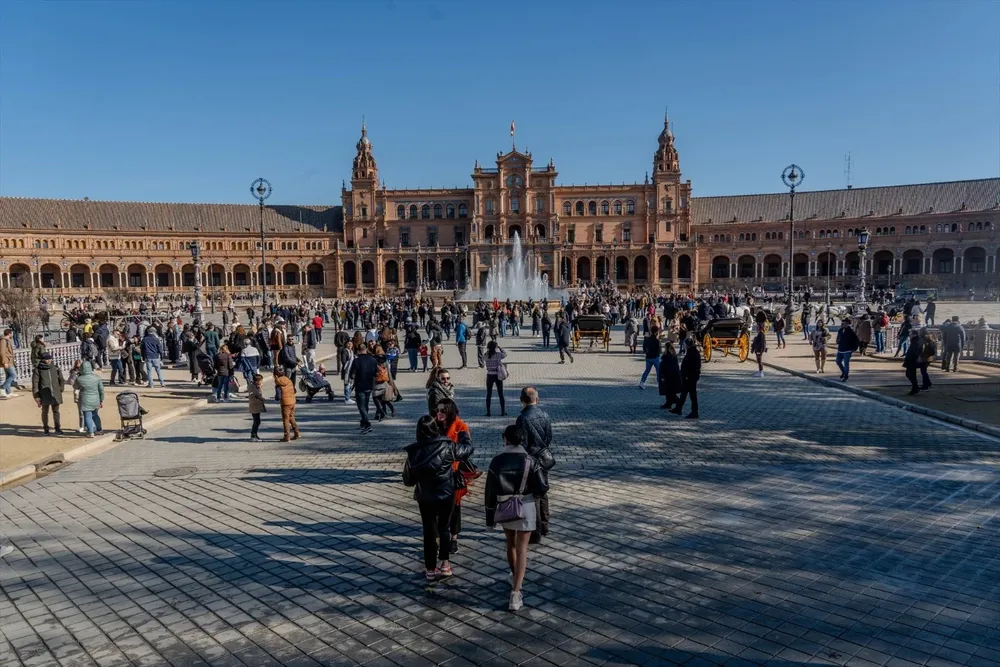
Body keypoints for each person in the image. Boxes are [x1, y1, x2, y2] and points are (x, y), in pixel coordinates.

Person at [485, 424, 549, 612]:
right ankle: (516, 592)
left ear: (505, 439)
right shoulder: (531, 460)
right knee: (522, 550)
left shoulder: (496, 461)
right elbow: (542, 487)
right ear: (523, 440)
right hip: (526, 506)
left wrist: (490, 519)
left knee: (510, 544)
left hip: (505, 507)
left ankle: (514, 576)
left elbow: (489, 492)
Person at [403, 416, 472, 581]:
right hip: (446, 493)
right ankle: (445, 564)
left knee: (428, 531)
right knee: (444, 528)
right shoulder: (447, 445)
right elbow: (467, 450)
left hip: (425, 496)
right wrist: (463, 436)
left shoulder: (414, 452)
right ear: (435, 428)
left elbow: (408, 480)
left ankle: (430, 568)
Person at [434, 398, 476, 554]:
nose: (439, 413)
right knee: (436, 510)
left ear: (450, 411)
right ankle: (437, 539)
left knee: (454, 508)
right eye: (437, 410)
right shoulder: (432, 425)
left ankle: (453, 538)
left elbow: (466, 448)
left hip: (453, 473)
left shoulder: (460, 426)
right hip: (436, 474)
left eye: (443, 411)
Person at [514, 387, 554, 545]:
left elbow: (522, 443)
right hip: (543, 458)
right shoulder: (545, 415)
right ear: (537, 399)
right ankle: (545, 527)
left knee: (532, 496)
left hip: (530, 460)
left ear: (521, 400)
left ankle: (535, 532)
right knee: (543, 491)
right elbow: (549, 436)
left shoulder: (522, 418)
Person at [32, 351, 65, 435]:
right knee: (45, 412)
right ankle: (46, 428)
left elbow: (61, 379)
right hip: (44, 394)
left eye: (50, 358)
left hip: (55, 392)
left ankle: (57, 428)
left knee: (56, 411)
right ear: (43, 360)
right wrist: (36, 395)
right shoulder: (38, 369)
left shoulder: (55, 367)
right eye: (47, 359)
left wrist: (61, 388)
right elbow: (35, 383)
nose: (49, 360)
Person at [350, 343, 379, 435]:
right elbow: (375, 373)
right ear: (366, 349)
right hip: (369, 385)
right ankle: (363, 421)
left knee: (361, 406)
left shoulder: (356, 361)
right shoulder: (373, 360)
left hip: (360, 385)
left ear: (358, 350)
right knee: (365, 404)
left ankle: (367, 424)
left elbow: (352, 374)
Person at [670, 337, 701, 419]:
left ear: (687, 345)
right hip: (689, 377)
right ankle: (678, 408)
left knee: (692, 395)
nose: (684, 346)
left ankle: (695, 412)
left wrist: (687, 376)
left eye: (684, 345)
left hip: (690, 377)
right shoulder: (693, 352)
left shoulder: (692, 353)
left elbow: (692, 366)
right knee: (684, 393)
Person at [74, 361, 105, 438]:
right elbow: (101, 390)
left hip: (85, 399)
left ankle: (91, 432)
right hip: (95, 399)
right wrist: (101, 399)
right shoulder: (96, 378)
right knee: (95, 415)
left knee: (87, 416)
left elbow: (75, 387)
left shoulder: (79, 379)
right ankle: (99, 429)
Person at [273, 367, 299, 442]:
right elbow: (294, 390)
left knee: (286, 420)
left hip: (285, 403)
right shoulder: (289, 380)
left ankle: (287, 436)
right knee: (291, 417)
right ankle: (297, 433)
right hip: (292, 401)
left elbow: (278, 396)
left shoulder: (278, 383)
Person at [485, 341, 507, 416]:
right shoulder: (498, 354)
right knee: (500, 393)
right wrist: (500, 348)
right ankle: (503, 411)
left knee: (489, 394)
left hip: (489, 375)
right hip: (498, 375)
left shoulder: (486, 355)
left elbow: (484, 359)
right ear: (495, 347)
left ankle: (488, 412)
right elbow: (505, 354)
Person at [658, 341, 681, 409]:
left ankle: (676, 402)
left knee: (669, 391)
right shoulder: (673, 356)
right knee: (669, 391)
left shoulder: (668, 356)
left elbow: (666, 367)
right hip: (673, 375)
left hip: (668, 376)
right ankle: (669, 403)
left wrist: (663, 375)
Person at [902, 329, 923, 395]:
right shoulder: (915, 340)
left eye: (910, 334)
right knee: (911, 374)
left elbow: (914, 351)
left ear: (914, 334)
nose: (909, 335)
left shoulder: (916, 341)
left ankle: (915, 388)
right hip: (912, 360)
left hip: (913, 360)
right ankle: (915, 388)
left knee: (910, 374)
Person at [248, 373, 265, 441]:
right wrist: (260, 388)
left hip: (255, 407)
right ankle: (253, 435)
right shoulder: (254, 388)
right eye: (261, 380)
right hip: (255, 407)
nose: (262, 382)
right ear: (257, 381)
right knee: (256, 421)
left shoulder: (253, 386)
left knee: (257, 421)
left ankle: (254, 435)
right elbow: (259, 395)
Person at [0, 329, 17, 399]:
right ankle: (3, 387)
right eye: (11, 333)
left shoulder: (6, 341)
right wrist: (5, 362)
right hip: (7, 362)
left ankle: (8, 392)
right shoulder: (3, 341)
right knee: (13, 375)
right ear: (9, 334)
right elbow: (2, 352)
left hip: (9, 361)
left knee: (8, 376)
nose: (12, 335)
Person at [340, 340, 355, 404]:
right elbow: (344, 361)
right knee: (347, 384)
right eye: (348, 344)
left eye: (351, 344)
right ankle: (347, 398)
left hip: (351, 370)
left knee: (350, 384)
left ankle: (348, 397)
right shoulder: (345, 351)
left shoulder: (351, 351)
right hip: (346, 370)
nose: (349, 345)